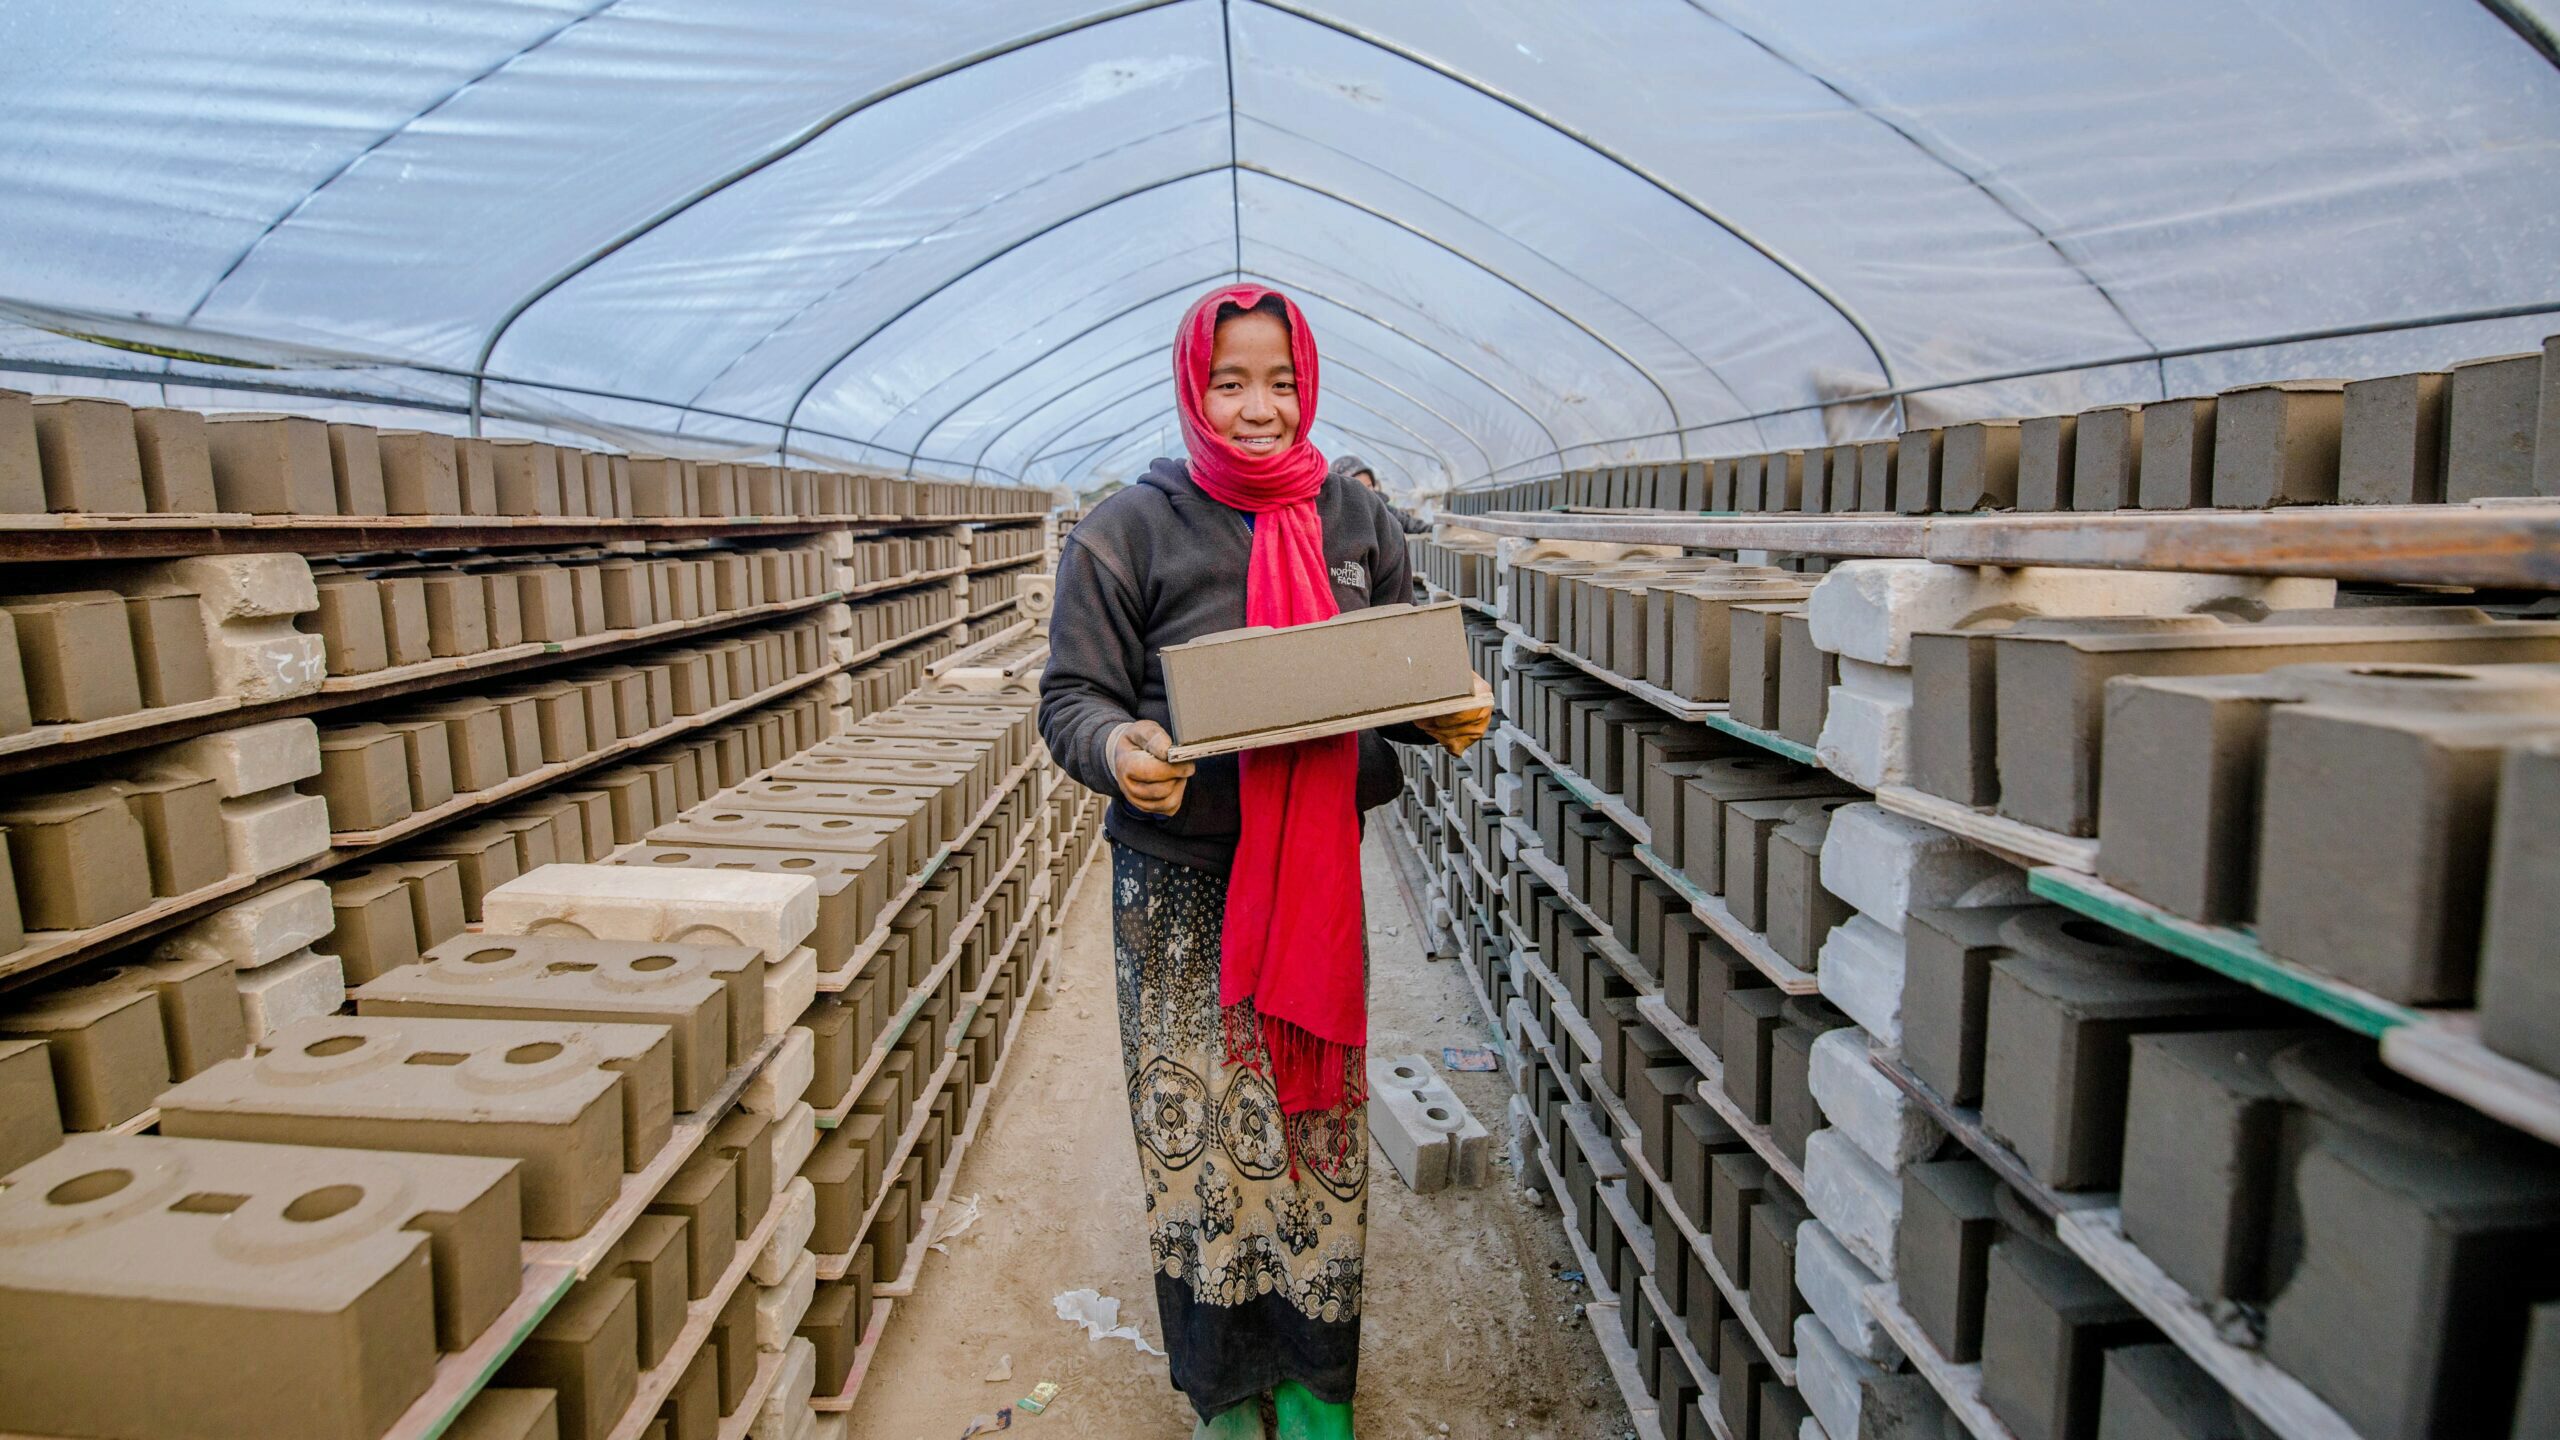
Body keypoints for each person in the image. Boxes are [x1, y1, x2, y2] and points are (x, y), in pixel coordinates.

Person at [1039, 285, 1494, 1440]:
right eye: (1231, 382)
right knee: (1198, 1146)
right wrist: (1114, 745)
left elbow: (1395, 675)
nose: (1257, 408)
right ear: (1195, 386)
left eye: (1280, 382)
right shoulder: (1126, 530)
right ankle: (1225, 1397)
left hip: (1314, 887)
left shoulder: (1354, 520)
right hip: (1183, 889)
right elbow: (1070, 698)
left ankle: (1313, 1387)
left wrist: (1446, 712)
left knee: (1311, 1138)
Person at [1327, 454, 1431, 533]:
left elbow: (1407, 523)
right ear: (1341, 492)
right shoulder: (1333, 521)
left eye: (1368, 486)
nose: (1366, 493)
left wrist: (1433, 530)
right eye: (1358, 488)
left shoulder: (1381, 508)